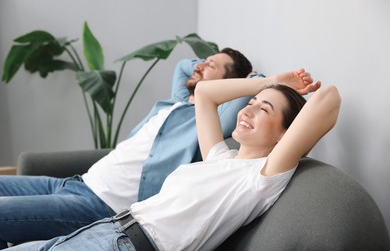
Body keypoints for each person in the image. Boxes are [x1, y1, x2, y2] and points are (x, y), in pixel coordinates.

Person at [8, 68, 339, 250]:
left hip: (126, 245)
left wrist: (293, 93)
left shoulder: (261, 178)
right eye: (250, 102)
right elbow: (206, 95)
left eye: (264, 109)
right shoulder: (219, 157)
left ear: (285, 135)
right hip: (106, 229)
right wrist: (270, 83)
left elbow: (328, 98)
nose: (248, 109)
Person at [0, 48, 254, 248]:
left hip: (100, 206)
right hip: (76, 183)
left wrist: (255, 80)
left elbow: (250, 89)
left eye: (211, 65)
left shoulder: (207, 120)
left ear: (227, 83)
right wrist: (205, 65)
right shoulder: (177, 103)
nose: (198, 65)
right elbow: (181, 66)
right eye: (203, 60)